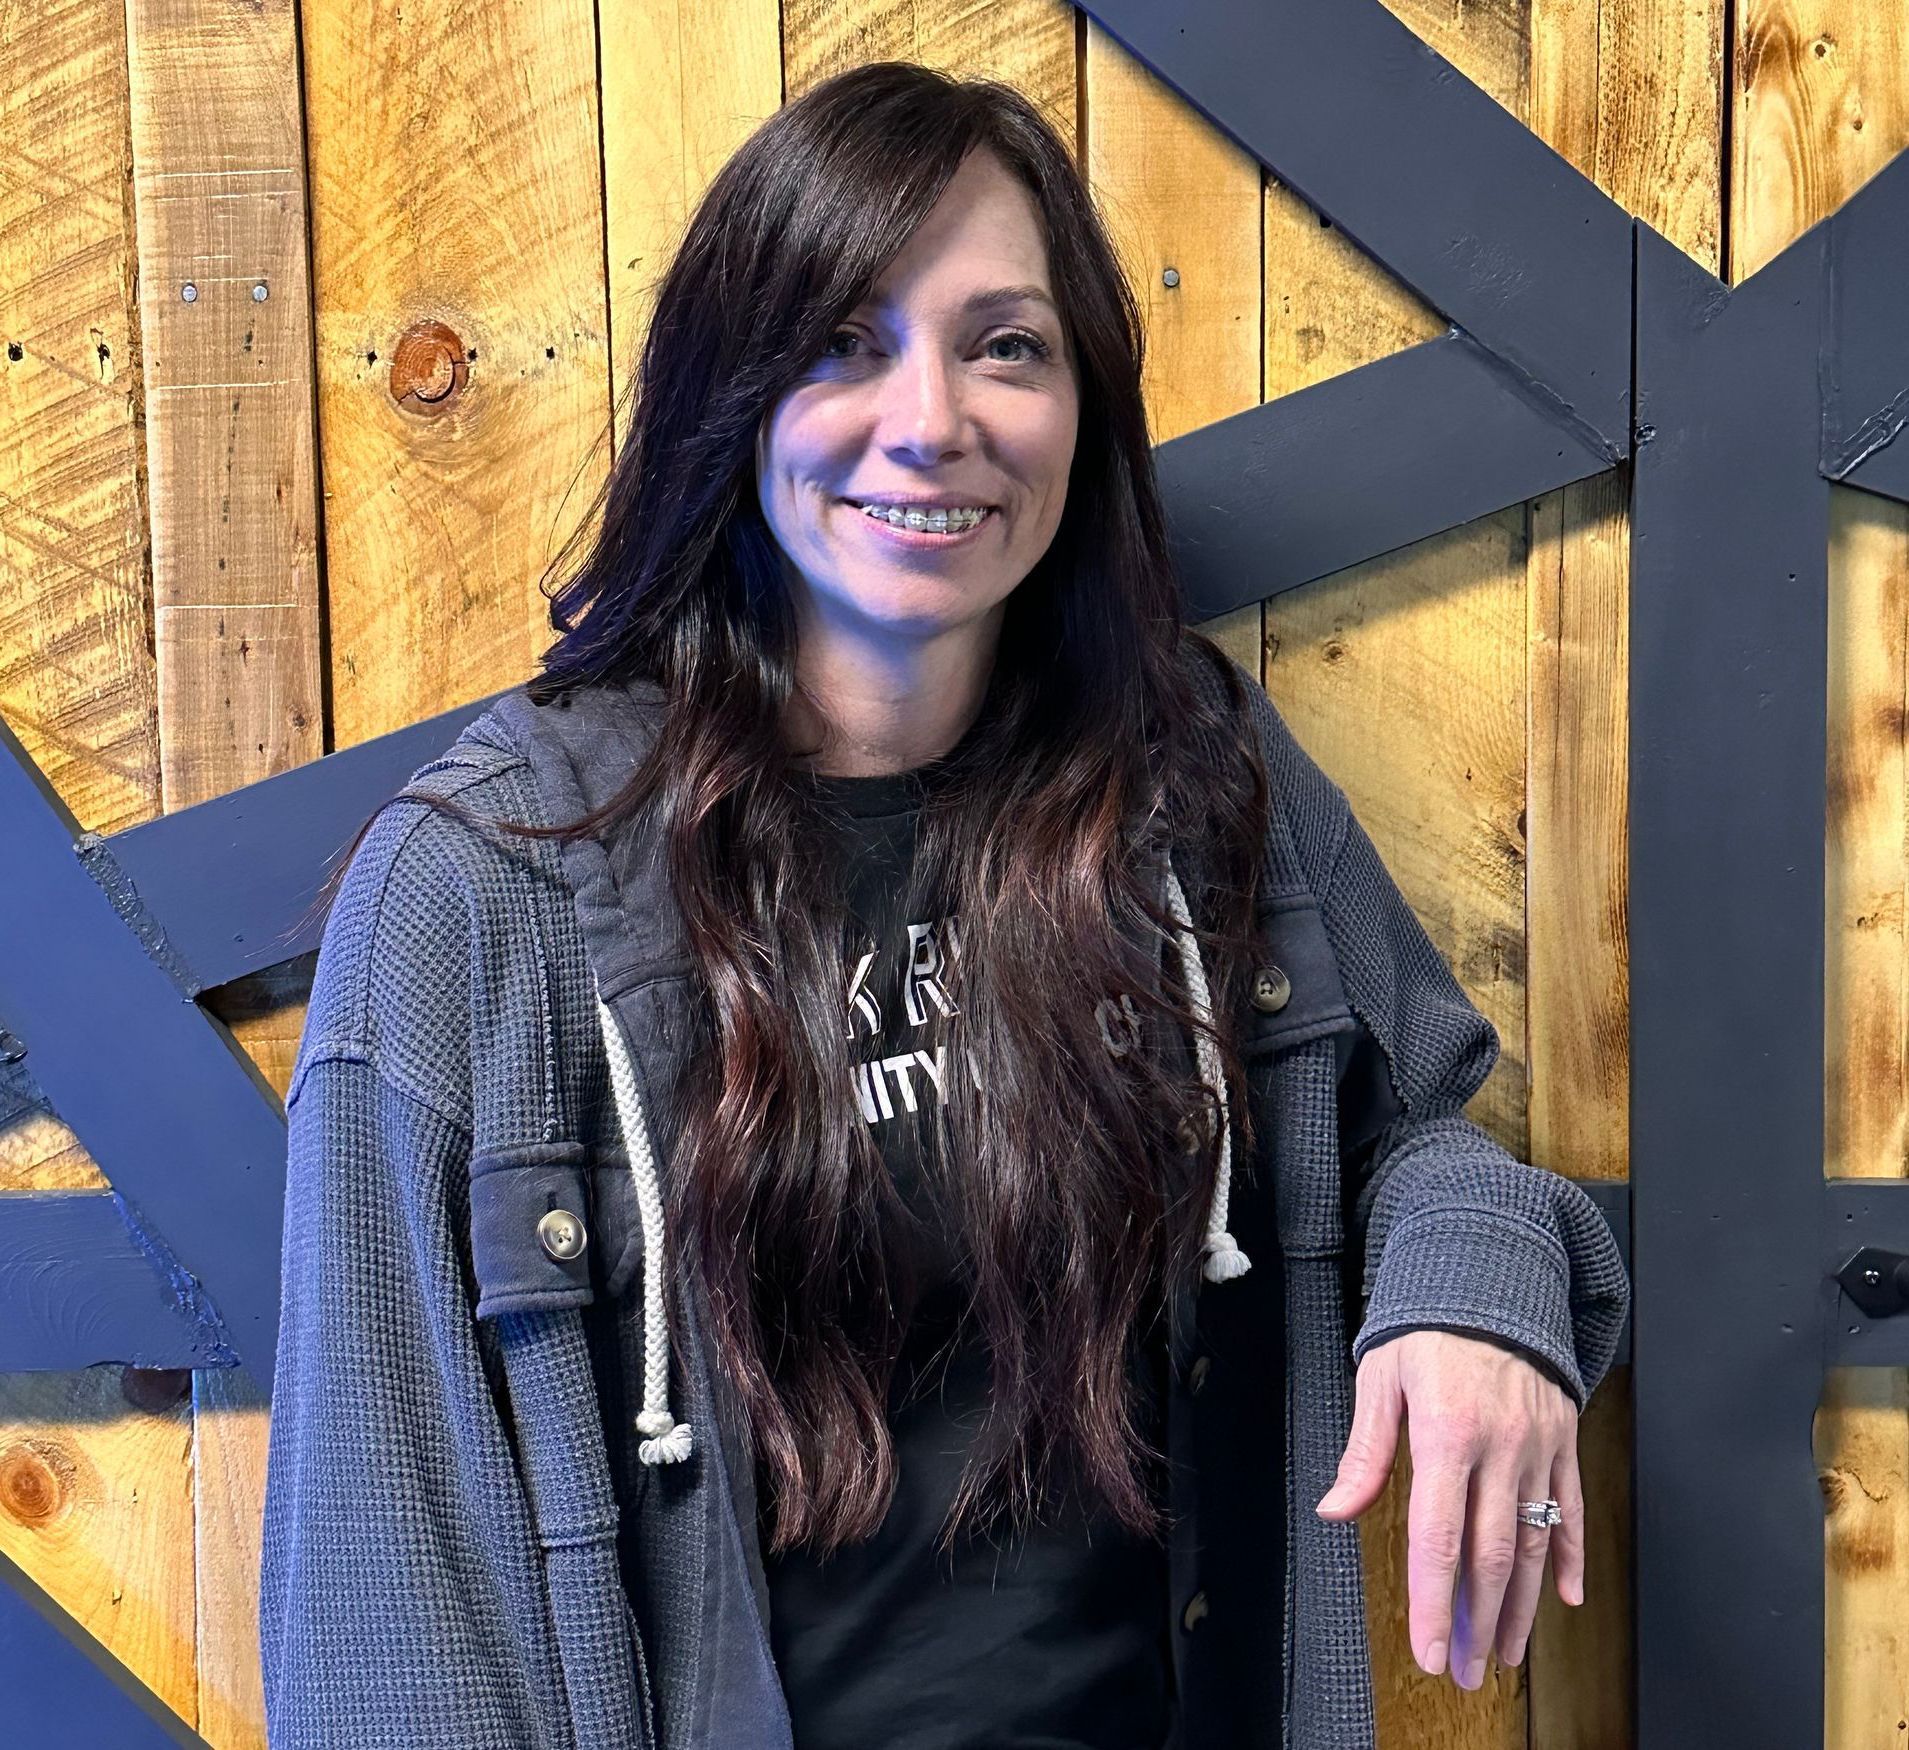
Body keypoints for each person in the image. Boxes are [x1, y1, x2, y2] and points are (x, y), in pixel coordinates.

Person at [258, 60, 1630, 1750]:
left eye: (1004, 345)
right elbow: (383, 1631)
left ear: (1080, 402)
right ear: (730, 393)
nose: (929, 420)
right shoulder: (483, 888)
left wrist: (1479, 1287)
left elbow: (1408, 1133)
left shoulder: (1186, 780)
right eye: (844, 341)